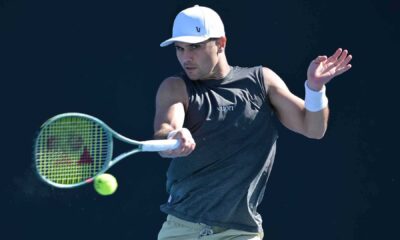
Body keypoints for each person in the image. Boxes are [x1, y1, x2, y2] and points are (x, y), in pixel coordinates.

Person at [153, 5, 352, 240]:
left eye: (195, 46)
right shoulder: (175, 87)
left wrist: (315, 89)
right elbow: (166, 129)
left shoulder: (261, 81)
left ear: (221, 43)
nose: (186, 57)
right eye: (180, 48)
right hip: (182, 229)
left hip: (241, 232)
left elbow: (313, 128)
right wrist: (173, 137)